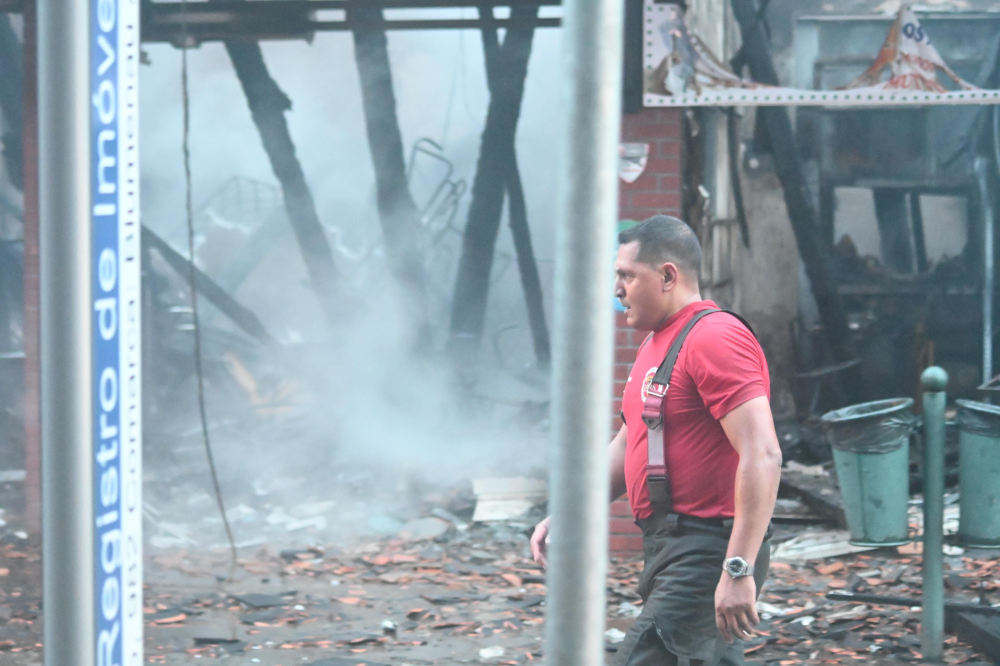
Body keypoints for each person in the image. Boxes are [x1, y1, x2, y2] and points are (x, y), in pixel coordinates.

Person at [530, 215, 782, 666]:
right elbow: (631, 441)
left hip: (707, 550)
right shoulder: (656, 345)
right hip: (672, 547)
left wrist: (737, 568)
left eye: (627, 275)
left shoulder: (715, 337)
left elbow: (763, 454)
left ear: (668, 276)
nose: (616, 289)